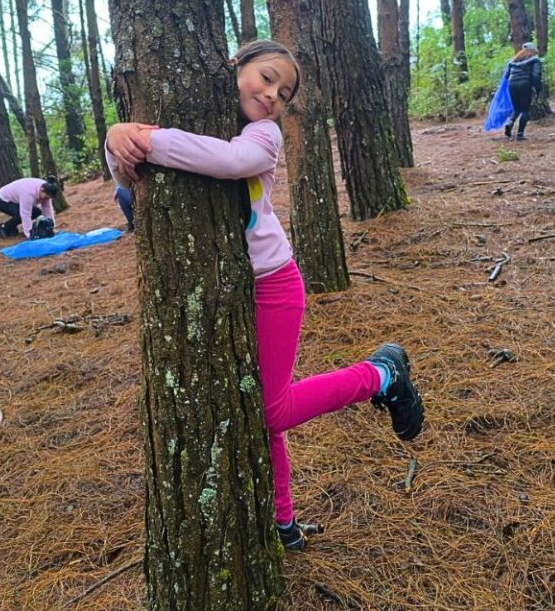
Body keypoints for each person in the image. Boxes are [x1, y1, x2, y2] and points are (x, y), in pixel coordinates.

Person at [106, 39, 424, 551]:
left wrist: (147, 139)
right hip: (225, 293)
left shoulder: (263, 135)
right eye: (267, 77)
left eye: (285, 92)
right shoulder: (189, 123)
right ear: (235, 66)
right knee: (256, 408)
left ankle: (381, 375)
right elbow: (127, 179)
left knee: (271, 410)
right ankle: (281, 519)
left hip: (273, 285)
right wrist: (117, 139)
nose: (274, 94)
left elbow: (232, 161)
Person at [503, 41, 542, 141]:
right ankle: (520, 134)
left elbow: (506, 76)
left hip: (512, 84)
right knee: (525, 110)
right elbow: (536, 76)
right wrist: (537, 89)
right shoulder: (535, 60)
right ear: (533, 50)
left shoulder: (513, 61)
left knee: (516, 109)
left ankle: (510, 123)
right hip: (525, 84)